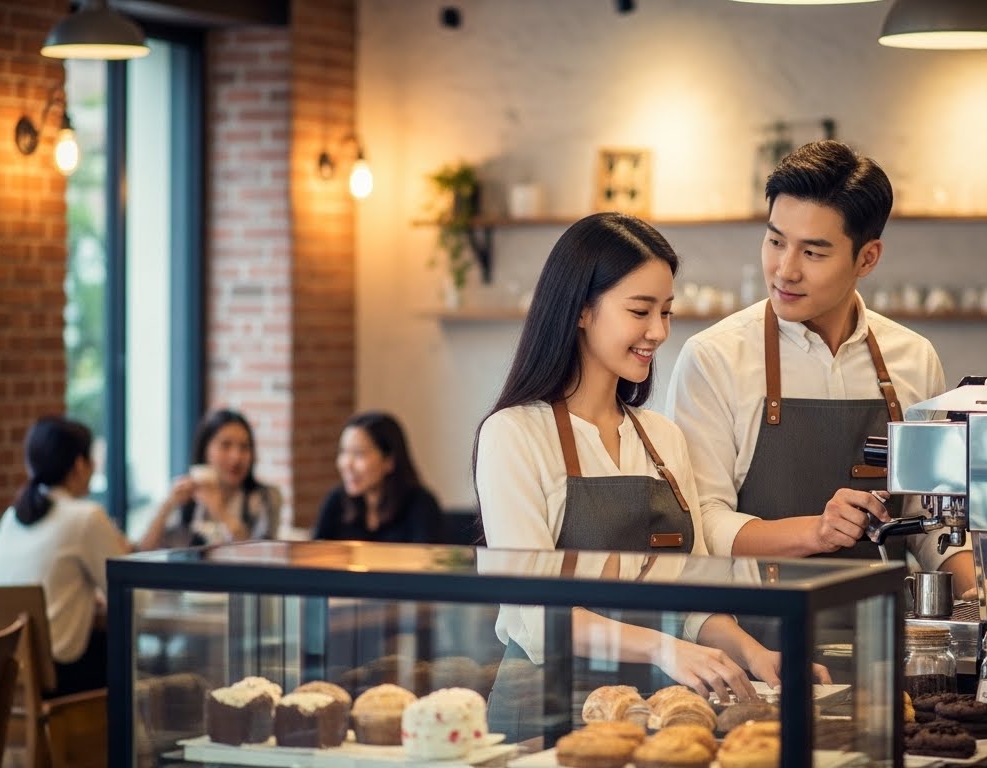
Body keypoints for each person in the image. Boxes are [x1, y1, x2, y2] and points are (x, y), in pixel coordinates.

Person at [474, 212, 784, 740]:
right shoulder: (514, 435)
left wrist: (754, 654)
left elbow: (692, 595)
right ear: (581, 310)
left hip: (655, 711)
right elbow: (534, 616)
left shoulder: (663, 438)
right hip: (545, 715)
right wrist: (664, 647)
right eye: (640, 311)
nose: (659, 332)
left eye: (665, 312)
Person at [666, 139, 974, 593]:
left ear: (867, 258)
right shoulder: (714, 358)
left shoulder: (913, 358)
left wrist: (986, 601)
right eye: (775, 241)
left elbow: (929, 522)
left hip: (884, 636)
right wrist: (817, 532)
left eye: (812, 252)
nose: (784, 270)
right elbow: (702, 523)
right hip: (758, 640)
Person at [0, 416, 131, 696]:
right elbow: (132, 598)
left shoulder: (12, 516)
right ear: (79, 464)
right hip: (54, 674)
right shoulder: (85, 516)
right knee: (141, 664)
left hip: (1, 673)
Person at [138, 408, 282, 550]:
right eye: (226, 445)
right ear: (205, 450)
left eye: (244, 447)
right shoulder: (185, 499)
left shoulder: (266, 497)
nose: (236, 457)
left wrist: (220, 511)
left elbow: (262, 557)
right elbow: (142, 552)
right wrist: (167, 506)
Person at [313, 411, 444, 543]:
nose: (346, 464)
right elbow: (312, 557)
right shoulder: (336, 501)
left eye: (358, 454)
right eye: (343, 452)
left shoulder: (421, 505)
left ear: (389, 460)